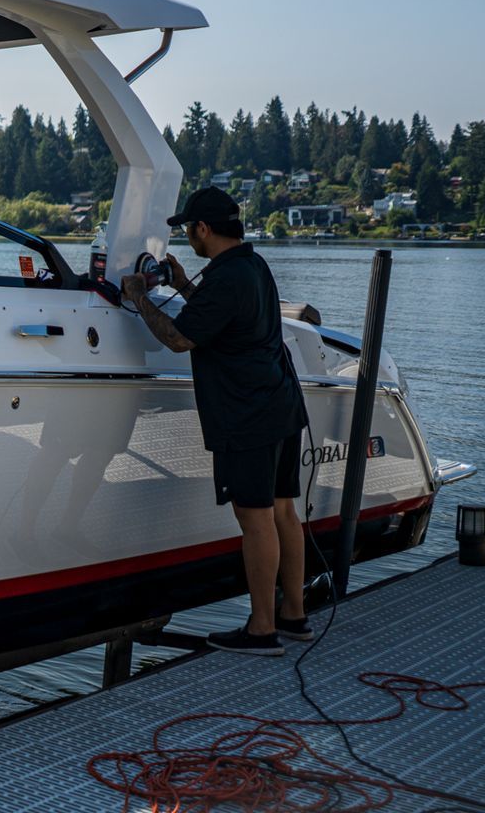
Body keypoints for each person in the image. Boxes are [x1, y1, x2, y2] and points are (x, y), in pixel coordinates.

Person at [120, 185, 311, 655]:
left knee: (255, 518)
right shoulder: (251, 265)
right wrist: (185, 285)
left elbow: (180, 338)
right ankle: (293, 614)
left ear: (203, 228)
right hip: (281, 404)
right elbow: (219, 318)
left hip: (248, 414)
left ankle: (262, 630)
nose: (188, 237)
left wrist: (139, 296)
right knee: (283, 511)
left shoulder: (227, 278)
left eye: (189, 229)